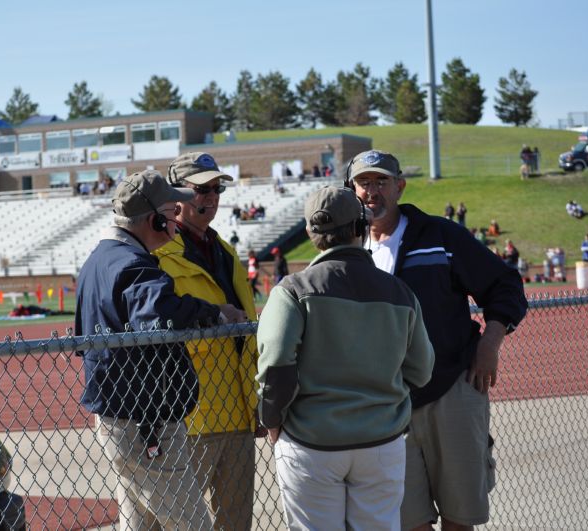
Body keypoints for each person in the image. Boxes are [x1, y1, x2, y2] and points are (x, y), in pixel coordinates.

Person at [347, 149, 528, 531]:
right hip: (385, 404)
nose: (372, 191)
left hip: (452, 389)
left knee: (460, 517)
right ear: (351, 189)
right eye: (364, 183)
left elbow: (505, 284)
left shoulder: (440, 235)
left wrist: (489, 344)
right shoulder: (347, 250)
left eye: (381, 181)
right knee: (406, 520)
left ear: (400, 186)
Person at [256, 186, 435, 530]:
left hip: (312, 440)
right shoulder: (400, 292)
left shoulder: (293, 290)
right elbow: (422, 370)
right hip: (381, 439)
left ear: (310, 233)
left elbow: (276, 363)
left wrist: (272, 416)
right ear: (360, 228)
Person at [75, 169, 245, 530]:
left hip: (125, 414)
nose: (176, 218)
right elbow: (159, 311)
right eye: (171, 211)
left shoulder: (100, 259)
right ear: (154, 218)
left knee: (141, 524)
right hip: (144, 422)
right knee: (194, 523)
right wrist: (214, 313)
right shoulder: (132, 264)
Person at [154, 152, 261, 530]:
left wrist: (255, 401)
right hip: (187, 417)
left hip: (236, 410)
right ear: (176, 194)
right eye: (201, 189)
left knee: (235, 522)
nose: (211, 197)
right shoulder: (159, 256)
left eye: (216, 188)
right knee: (179, 523)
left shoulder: (225, 251)